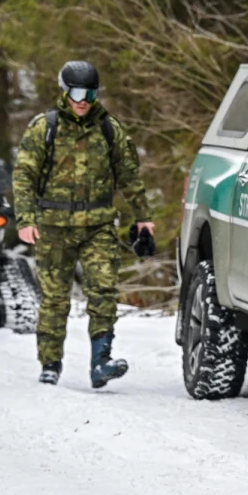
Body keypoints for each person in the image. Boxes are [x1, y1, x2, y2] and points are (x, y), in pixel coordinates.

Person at [12, 60, 152, 388]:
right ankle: (50, 362)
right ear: (64, 92)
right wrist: (26, 219)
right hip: (53, 226)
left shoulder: (108, 128)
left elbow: (129, 175)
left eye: (89, 92)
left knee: (103, 288)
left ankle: (100, 361)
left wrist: (143, 217)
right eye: (76, 92)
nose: (83, 99)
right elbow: (24, 175)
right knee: (55, 298)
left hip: (98, 224)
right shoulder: (43, 127)